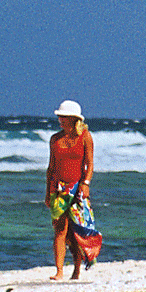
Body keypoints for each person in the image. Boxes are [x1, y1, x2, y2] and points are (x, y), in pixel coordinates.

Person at [45, 99, 98, 280]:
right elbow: (50, 168)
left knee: (76, 231)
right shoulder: (55, 139)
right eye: (60, 116)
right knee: (60, 231)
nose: (60, 119)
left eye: (64, 117)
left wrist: (86, 184)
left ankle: (76, 269)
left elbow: (89, 164)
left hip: (77, 189)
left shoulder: (85, 136)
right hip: (58, 190)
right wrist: (47, 193)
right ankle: (59, 271)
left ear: (74, 118)